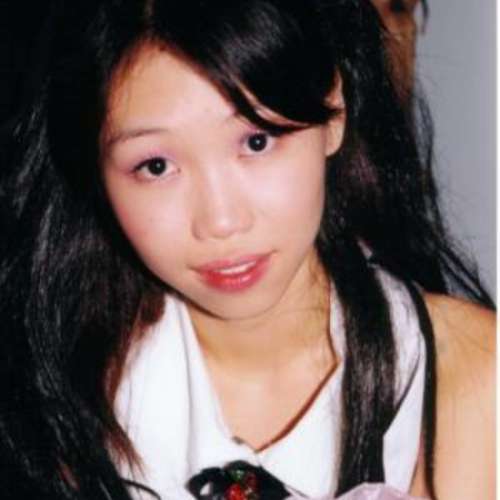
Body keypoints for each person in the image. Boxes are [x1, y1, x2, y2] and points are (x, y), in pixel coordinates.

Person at [0, 1, 494, 499]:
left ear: (334, 113)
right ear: (96, 173)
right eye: (156, 166)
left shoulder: (469, 372)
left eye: (257, 141)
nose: (222, 221)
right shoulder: (57, 399)